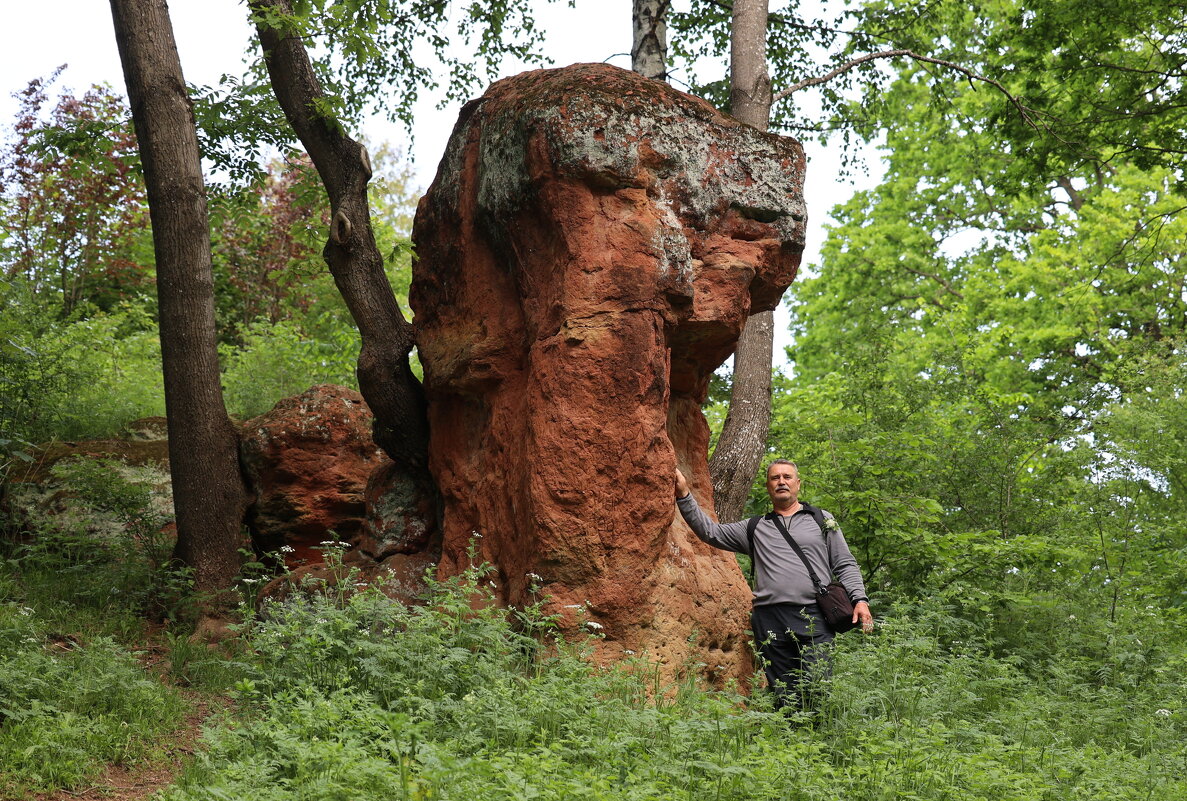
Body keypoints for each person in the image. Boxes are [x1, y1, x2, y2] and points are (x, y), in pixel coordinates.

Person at [675, 459, 873, 709]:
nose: (781, 482)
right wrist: (684, 494)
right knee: (783, 691)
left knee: (817, 687)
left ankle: (817, 732)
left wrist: (860, 599)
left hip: (815, 615)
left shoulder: (821, 519)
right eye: (775, 478)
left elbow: (844, 563)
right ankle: (788, 732)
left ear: (798, 483)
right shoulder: (754, 527)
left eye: (787, 477)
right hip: (770, 617)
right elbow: (710, 532)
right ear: (768, 486)